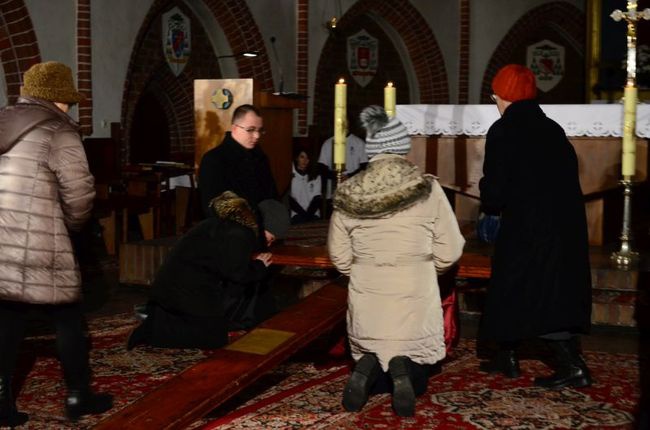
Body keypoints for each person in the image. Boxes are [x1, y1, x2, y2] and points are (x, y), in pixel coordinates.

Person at [328, 106, 465, 417]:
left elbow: (338, 253)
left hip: (368, 289)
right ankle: (404, 366)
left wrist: (360, 269)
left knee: (375, 352)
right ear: (403, 147)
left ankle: (369, 363)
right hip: (414, 286)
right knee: (418, 373)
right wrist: (429, 269)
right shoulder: (427, 187)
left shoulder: (349, 191)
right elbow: (451, 246)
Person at [0, 61, 113, 426]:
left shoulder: (3, 122)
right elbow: (79, 195)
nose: (70, 107)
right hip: (42, 243)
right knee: (67, 317)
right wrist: (72, 227)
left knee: (7, 319)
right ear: (58, 98)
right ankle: (78, 395)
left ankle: (1, 403)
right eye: (69, 100)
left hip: (1, 239)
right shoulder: (58, 131)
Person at [477, 64, 592, 389]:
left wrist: (488, 206)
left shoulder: (504, 130)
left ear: (503, 96)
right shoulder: (552, 128)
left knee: (535, 290)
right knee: (518, 287)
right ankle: (506, 356)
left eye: (495, 97)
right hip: (566, 223)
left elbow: (496, 190)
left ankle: (573, 366)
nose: (495, 102)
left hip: (529, 226)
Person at [127, 191, 289, 350]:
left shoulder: (227, 225)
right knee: (213, 339)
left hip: (173, 289)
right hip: (182, 291)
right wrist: (260, 265)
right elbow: (237, 274)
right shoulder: (240, 233)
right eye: (270, 238)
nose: (268, 244)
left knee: (214, 330)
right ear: (263, 226)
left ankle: (157, 321)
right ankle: (153, 331)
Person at [198, 104, 278, 245]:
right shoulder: (214, 159)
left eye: (260, 130)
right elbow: (216, 206)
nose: (257, 136)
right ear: (235, 128)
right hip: (229, 237)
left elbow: (271, 195)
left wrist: (271, 227)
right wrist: (255, 231)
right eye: (251, 130)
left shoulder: (260, 158)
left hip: (264, 235)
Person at [318, 114, 368, 216]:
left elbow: (365, 167)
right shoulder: (328, 143)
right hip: (333, 189)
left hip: (354, 189)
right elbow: (322, 168)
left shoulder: (359, 143)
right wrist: (336, 176)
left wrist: (349, 176)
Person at [289, 148, 322, 224]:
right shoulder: (290, 174)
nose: (305, 160)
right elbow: (290, 200)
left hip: (313, 213)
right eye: (302, 157)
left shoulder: (315, 175)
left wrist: (308, 216)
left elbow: (317, 198)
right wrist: (303, 214)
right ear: (297, 158)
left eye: (307, 158)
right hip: (297, 213)